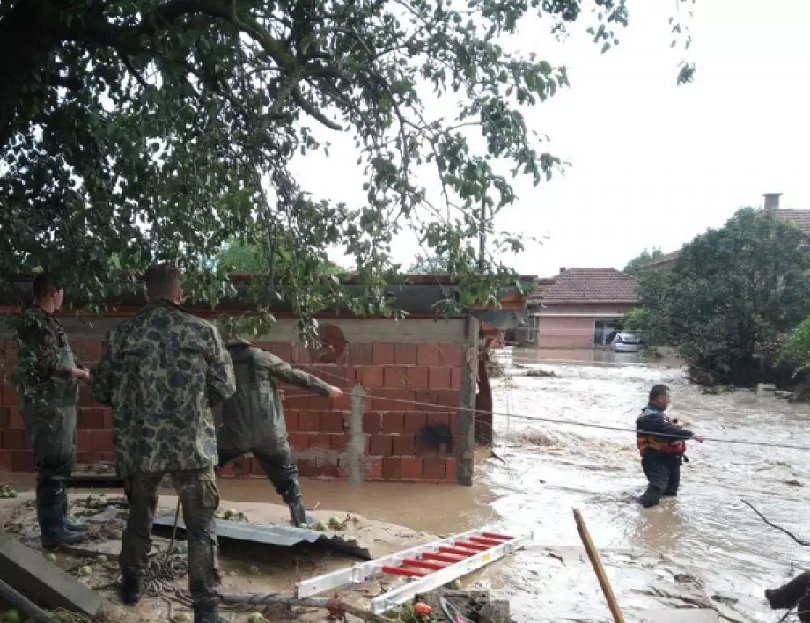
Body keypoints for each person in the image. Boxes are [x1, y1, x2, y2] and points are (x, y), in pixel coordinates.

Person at [92, 264, 235, 623]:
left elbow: (101, 389)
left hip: (141, 448)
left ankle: (131, 585)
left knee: (139, 517)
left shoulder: (122, 334)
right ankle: (205, 606)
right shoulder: (204, 332)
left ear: (146, 293)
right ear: (179, 294)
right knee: (202, 527)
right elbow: (223, 388)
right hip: (193, 448)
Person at [217, 336, 343, 526]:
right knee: (288, 477)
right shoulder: (261, 357)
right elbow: (295, 376)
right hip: (270, 434)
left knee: (206, 466)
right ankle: (299, 521)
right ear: (247, 344)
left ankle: (199, 515)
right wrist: (326, 389)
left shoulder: (220, 363)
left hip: (235, 435)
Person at [15, 273, 90, 548]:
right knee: (53, 464)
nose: (63, 298)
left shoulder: (46, 321)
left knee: (63, 461)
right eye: (62, 292)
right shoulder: (37, 323)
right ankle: (52, 531)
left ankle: (60, 519)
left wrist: (79, 368)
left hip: (60, 404)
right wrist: (80, 374)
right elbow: (47, 364)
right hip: (49, 406)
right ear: (53, 293)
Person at [636, 384, 703, 508]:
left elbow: (671, 431)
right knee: (654, 494)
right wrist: (692, 435)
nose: (669, 400)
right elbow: (668, 433)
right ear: (660, 398)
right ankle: (630, 508)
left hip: (671, 460)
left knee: (670, 496)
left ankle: (665, 521)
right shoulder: (648, 417)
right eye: (668, 397)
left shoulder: (659, 415)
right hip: (656, 460)